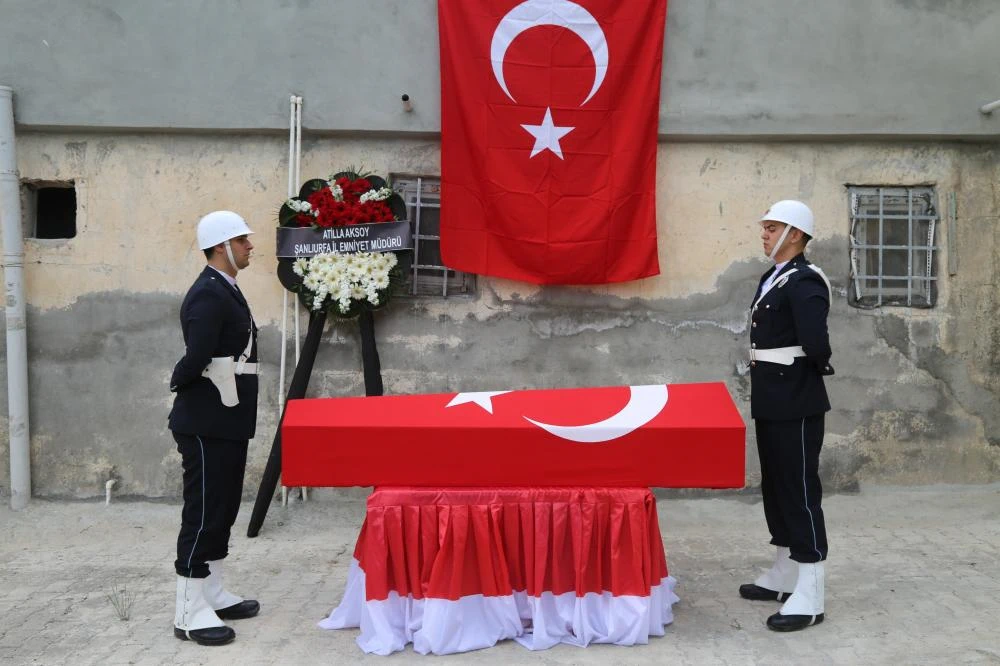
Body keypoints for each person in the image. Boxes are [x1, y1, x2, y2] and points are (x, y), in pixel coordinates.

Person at [738, 199, 834, 632]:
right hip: (772, 397)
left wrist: (799, 375)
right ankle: (785, 572)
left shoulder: (805, 281)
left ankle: (811, 590)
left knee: (798, 489)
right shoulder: (773, 277)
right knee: (776, 486)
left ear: (794, 234)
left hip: (795, 398)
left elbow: (817, 346)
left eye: (772, 227)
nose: (764, 233)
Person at [169, 210, 260, 646]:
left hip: (227, 418)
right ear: (221, 247)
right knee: (203, 512)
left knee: (223, 509)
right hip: (206, 420)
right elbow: (197, 355)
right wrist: (178, 379)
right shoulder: (208, 293)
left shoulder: (227, 289)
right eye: (241, 240)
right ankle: (187, 611)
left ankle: (213, 591)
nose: (249, 246)